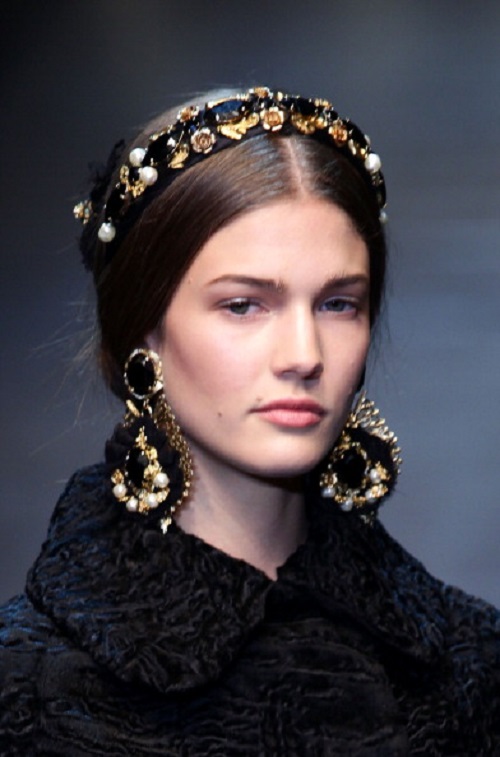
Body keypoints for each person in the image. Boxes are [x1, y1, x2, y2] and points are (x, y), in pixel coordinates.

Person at [0, 86, 498, 756]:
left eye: (338, 304)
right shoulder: (28, 691)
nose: (304, 356)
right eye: (243, 305)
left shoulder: (471, 668)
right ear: (142, 330)